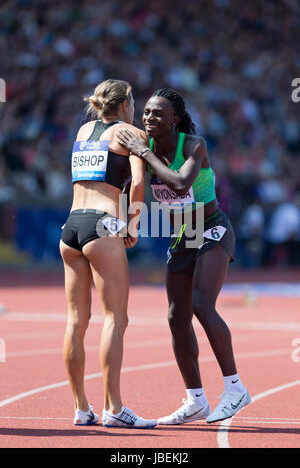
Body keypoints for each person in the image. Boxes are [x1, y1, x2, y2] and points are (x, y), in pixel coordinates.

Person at [117, 87, 251, 424]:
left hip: (211, 229)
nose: (149, 118)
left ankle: (235, 389)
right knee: (177, 318)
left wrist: (143, 156)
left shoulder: (193, 145)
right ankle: (196, 400)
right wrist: (124, 219)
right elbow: (127, 185)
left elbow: (178, 183)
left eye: (158, 113)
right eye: (146, 112)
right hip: (182, 235)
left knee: (203, 304)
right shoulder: (143, 148)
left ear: (175, 118)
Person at [60, 79, 156, 429]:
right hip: (103, 226)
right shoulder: (131, 133)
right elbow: (139, 182)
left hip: (70, 227)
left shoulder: (84, 129)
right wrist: (133, 224)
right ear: (126, 104)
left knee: (76, 321)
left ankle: (81, 408)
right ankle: (113, 407)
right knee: (116, 317)